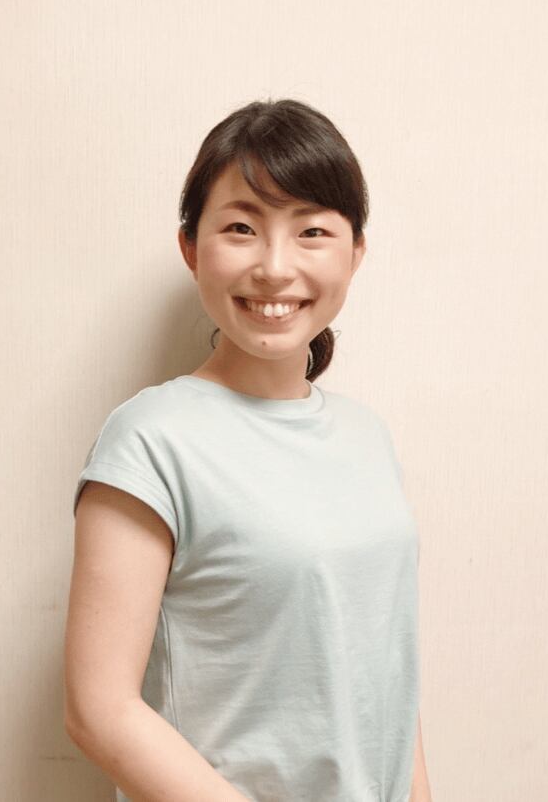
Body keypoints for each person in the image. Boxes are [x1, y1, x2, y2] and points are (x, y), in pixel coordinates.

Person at [63, 98, 432, 802]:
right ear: (191, 247)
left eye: (312, 231)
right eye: (241, 228)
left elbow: (386, 680)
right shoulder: (150, 439)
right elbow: (99, 710)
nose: (274, 267)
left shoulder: (367, 435)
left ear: (355, 253)